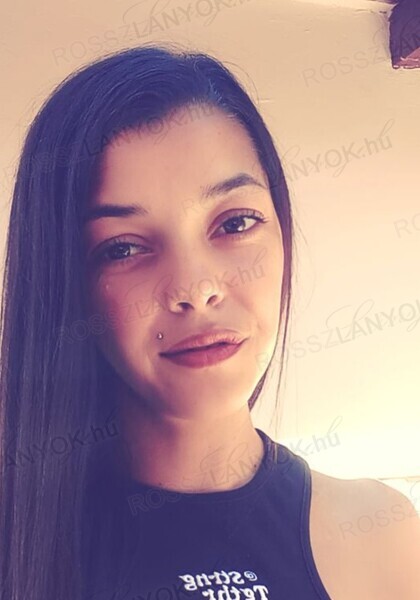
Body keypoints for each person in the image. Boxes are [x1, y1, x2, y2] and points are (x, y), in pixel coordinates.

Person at [0, 43, 419, 600]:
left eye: (236, 222)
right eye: (124, 248)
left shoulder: (384, 538)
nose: (195, 289)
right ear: (65, 283)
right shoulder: (18, 543)